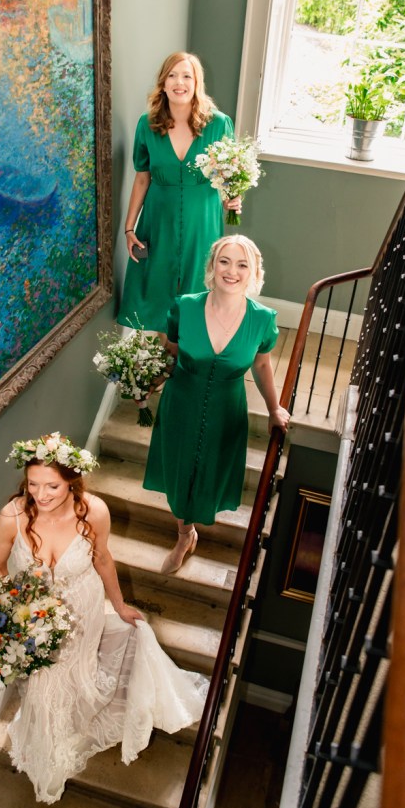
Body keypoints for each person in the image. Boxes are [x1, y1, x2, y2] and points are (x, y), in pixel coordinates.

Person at [0, 433, 208, 804]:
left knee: (78, 669)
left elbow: (102, 559)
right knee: (44, 682)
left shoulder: (94, 511)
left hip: (84, 607)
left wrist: (118, 605)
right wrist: (15, 613)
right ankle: (48, 745)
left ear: (72, 480)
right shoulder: (12, 516)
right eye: (33, 484)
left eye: (52, 486)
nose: (40, 495)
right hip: (35, 620)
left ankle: (75, 712)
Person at [143, 236, 291, 574]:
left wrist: (273, 408)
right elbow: (171, 354)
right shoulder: (185, 307)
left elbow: (263, 364)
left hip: (227, 411)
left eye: (242, 265)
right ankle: (184, 535)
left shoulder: (262, 319)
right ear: (212, 265)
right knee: (180, 478)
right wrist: (147, 387)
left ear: (253, 272)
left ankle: (190, 528)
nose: (232, 271)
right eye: (225, 261)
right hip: (182, 404)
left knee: (207, 475)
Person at [118, 51, 242, 334]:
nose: (179, 82)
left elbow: (228, 177)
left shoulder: (219, 124)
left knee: (198, 282)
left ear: (197, 82)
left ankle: (190, 354)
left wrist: (233, 199)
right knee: (157, 281)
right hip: (159, 217)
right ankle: (160, 356)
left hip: (203, 217)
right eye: (172, 75)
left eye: (187, 76)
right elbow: (142, 178)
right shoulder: (147, 124)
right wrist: (128, 228)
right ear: (163, 84)